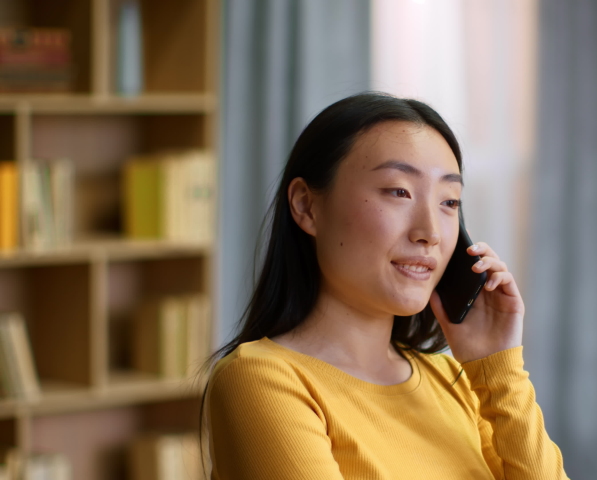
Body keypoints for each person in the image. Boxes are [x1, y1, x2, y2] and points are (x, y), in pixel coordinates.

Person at [199, 92, 569, 479]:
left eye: (449, 201)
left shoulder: (455, 380)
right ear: (307, 206)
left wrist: (498, 368)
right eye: (399, 191)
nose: (430, 233)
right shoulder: (260, 380)